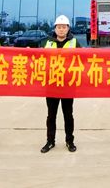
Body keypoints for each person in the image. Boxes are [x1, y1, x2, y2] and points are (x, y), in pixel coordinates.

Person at [40, 15, 78, 153]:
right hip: (52, 84)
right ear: (55, 29)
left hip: (68, 84)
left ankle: (70, 141)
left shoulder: (74, 42)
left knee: (68, 115)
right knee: (51, 115)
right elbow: (37, 57)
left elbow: (85, 59)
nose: (61, 29)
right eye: (59, 27)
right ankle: (50, 141)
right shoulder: (47, 42)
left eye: (64, 27)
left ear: (68, 29)